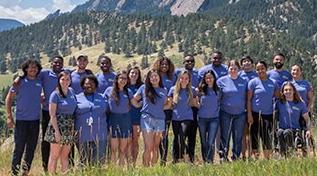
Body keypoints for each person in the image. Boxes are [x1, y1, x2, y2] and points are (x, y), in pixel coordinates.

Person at [6, 59, 42, 175]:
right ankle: (14, 173)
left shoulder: (39, 81)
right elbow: (9, 99)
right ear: (25, 69)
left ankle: (25, 173)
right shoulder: (20, 82)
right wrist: (9, 116)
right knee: (19, 149)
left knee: (30, 150)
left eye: (35, 67)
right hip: (21, 121)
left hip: (35, 121)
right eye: (30, 67)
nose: (33, 69)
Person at [131, 69, 169, 167]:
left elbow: (165, 105)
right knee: (148, 146)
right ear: (148, 78)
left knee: (156, 147)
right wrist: (140, 105)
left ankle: (153, 169)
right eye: (151, 76)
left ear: (159, 78)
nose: (154, 78)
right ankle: (146, 169)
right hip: (146, 119)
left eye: (156, 76)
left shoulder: (163, 90)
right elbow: (134, 100)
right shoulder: (144, 88)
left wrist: (167, 105)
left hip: (160, 120)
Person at [38, 56, 68, 171]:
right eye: (55, 62)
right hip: (47, 111)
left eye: (60, 63)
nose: (57, 64)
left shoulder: (66, 74)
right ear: (51, 63)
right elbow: (33, 78)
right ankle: (46, 168)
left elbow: (77, 72)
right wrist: (40, 94)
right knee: (46, 141)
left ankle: (67, 167)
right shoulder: (45, 73)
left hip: (63, 114)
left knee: (67, 141)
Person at [44, 71, 77, 174]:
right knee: (54, 155)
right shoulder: (55, 94)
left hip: (69, 126)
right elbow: (52, 115)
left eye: (67, 79)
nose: (65, 81)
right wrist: (57, 131)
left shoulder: (71, 91)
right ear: (59, 80)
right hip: (57, 126)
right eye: (63, 79)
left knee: (65, 155)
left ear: (70, 80)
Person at [217, 60, 248, 161]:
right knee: (225, 135)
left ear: (239, 70)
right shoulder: (221, 81)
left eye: (235, 69)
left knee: (238, 137)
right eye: (231, 68)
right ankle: (223, 156)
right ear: (228, 69)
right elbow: (217, 97)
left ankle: (235, 156)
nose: (233, 70)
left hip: (240, 114)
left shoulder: (244, 82)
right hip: (225, 113)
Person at [247, 61, 279, 159]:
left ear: (266, 69)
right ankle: (256, 159)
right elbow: (248, 99)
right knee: (255, 138)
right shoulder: (253, 82)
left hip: (268, 115)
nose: (260, 71)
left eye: (262, 68)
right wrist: (249, 114)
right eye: (258, 69)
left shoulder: (273, 83)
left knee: (267, 139)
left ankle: (267, 159)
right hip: (255, 114)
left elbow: (277, 96)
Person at [75, 75, 108, 166]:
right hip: (82, 134)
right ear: (82, 85)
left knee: (99, 161)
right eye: (87, 83)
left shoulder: (103, 97)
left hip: (100, 133)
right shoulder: (76, 98)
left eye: (92, 83)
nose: (89, 85)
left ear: (96, 85)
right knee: (83, 161)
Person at [104, 70, 133, 166]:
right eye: (121, 78)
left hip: (125, 120)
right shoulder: (109, 90)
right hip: (113, 120)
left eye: (125, 78)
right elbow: (103, 103)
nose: (123, 80)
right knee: (113, 149)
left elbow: (135, 103)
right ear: (117, 79)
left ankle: (120, 170)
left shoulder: (128, 92)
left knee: (122, 149)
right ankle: (113, 169)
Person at [168, 70, 197, 163]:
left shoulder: (192, 90)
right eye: (182, 78)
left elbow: (195, 103)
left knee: (182, 135)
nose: (184, 80)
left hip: (187, 117)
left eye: (186, 78)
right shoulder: (173, 90)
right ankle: (175, 159)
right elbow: (170, 104)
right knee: (177, 138)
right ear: (179, 79)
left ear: (189, 80)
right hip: (176, 117)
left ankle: (187, 154)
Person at [276, 82, 311, 157]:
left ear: (294, 91)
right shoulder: (279, 103)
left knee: (287, 132)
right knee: (280, 132)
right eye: (285, 90)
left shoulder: (300, 104)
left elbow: (307, 119)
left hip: (295, 130)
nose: (288, 92)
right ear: (282, 92)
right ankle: (283, 155)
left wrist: (308, 130)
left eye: (290, 90)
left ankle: (290, 152)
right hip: (282, 128)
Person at [152, 56, 176, 164]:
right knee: (155, 135)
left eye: (166, 64)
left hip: (168, 110)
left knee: (164, 135)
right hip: (156, 110)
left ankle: (163, 159)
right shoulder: (154, 76)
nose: (164, 66)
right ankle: (154, 158)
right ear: (158, 65)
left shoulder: (172, 77)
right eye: (162, 64)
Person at [175, 54, 199, 162]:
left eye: (191, 61)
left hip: (191, 111)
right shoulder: (177, 73)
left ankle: (191, 157)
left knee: (191, 135)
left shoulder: (198, 74)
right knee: (178, 137)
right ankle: (178, 157)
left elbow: (199, 94)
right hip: (177, 112)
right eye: (187, 61)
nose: (189, 63)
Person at [196, 70, 220, 163]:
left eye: (211, 77)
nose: (209, 79)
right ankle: (205, 160)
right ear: (204, 79)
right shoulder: (199, 90)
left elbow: (220, 102)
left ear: (214, 78)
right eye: (207, 78)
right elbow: (196, 102)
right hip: (202, 118)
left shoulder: (218, 90)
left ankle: (210, 161)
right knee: (203, 141)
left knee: (211, 141)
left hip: (214, 119)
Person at [238, 55, 257, 159]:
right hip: (241, 107)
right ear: (241, 65)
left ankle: (250, 154)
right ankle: (243, 155)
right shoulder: (239, 75)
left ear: (252, 64)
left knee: (251, 133)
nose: (246, 63)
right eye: (244, 61)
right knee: (243, 133)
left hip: (254, 107)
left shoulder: (256, 75)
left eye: (248, 61)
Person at [127, 66, 143, 166]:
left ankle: (133, 163)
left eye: (136, 73)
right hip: (125, 117)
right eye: (132, 73)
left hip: (137, 117)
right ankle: (127, 163)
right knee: (127, 142)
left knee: (135, 142)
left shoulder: (142, 87)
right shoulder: (124, 86)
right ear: (128, 74)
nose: (134, 75)